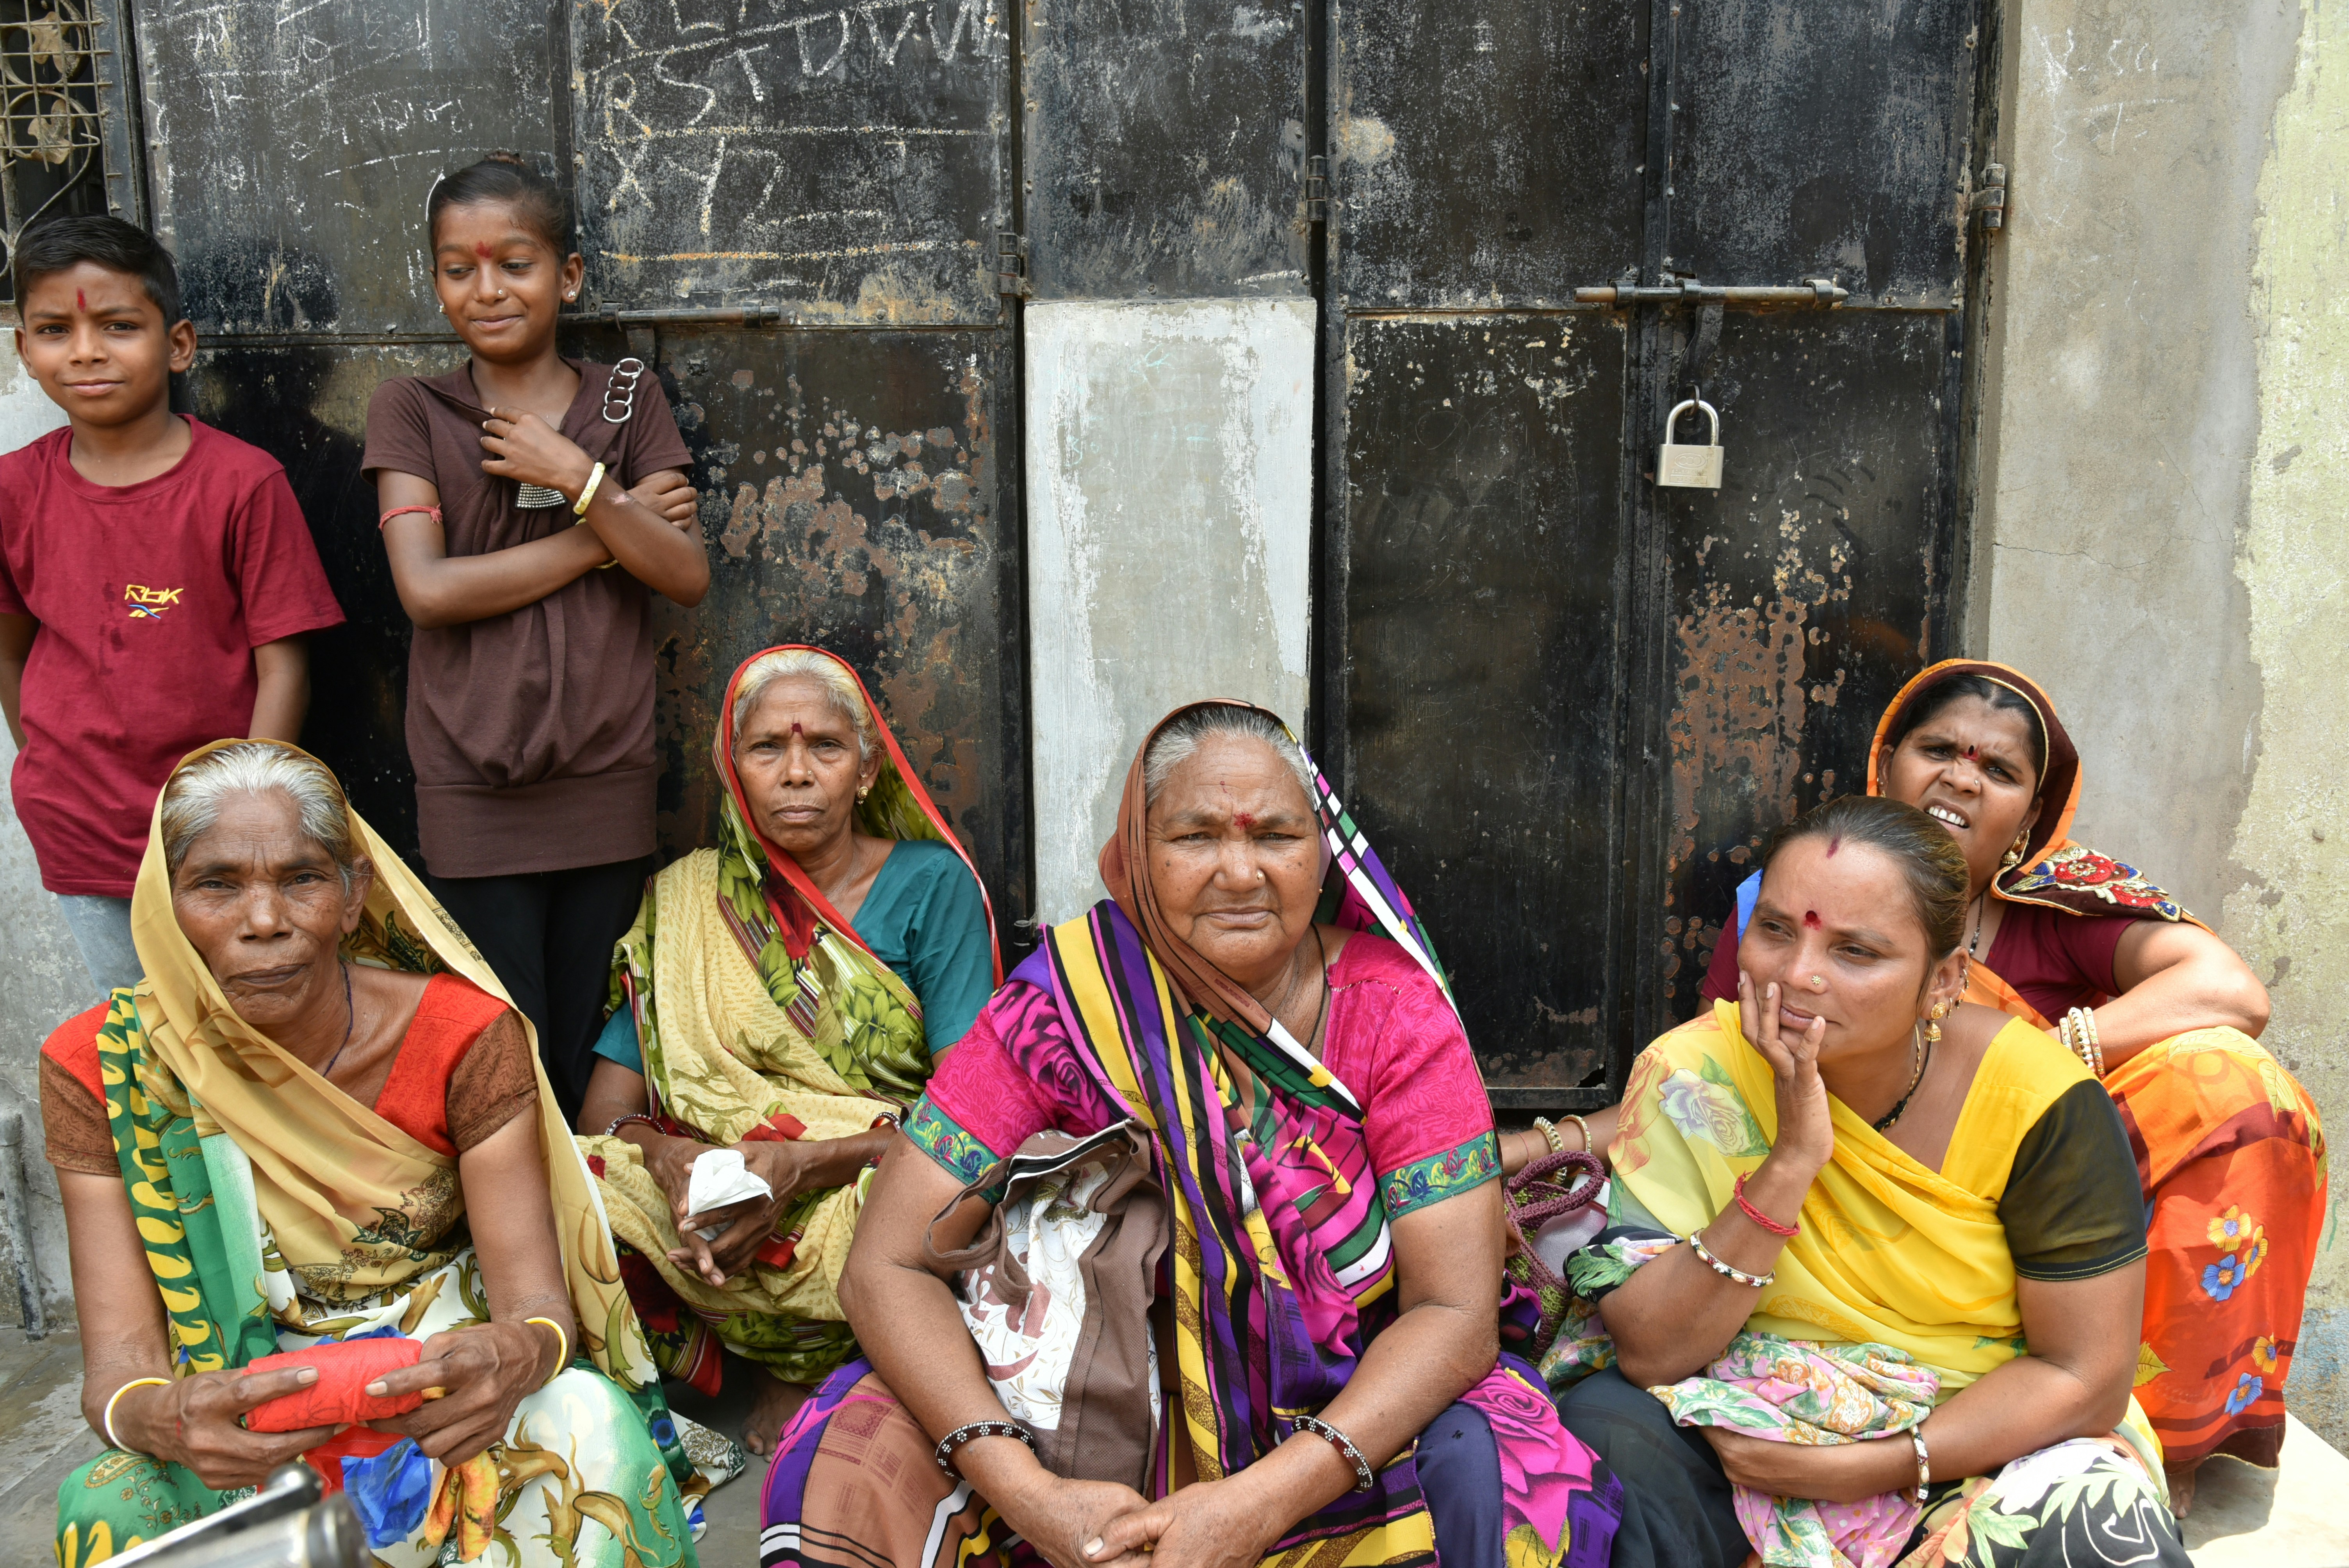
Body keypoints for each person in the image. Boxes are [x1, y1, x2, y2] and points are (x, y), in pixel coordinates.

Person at [758, 701, 1625, 1568]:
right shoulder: (1064, 1004)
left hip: (1344, 1420)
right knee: (842, 1459)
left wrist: (1257, 1503)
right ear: (1140, 853)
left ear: (1322, 852)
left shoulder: (1394, 1013)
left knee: (1505, 1483)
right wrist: (1030, 1494)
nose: (1240, 873)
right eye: (1195, 836)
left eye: (1276, 836)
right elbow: (886, 1264)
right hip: (1075, 1415)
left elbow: (1453, 1312)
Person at [38, 740, 739, 1566]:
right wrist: (158, 1417)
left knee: (592, 1428)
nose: (263, 920)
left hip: (446, 1394)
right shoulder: (102, 1067)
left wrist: (512, 1356)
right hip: (247, 1413)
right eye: (217, 885)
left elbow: (536, 1308)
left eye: (302, 878)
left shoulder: (461, 1036)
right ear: (166, 903)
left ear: (352, 895)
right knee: (109, 1501)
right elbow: (120, 1365)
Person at [1696, 661, 2324, 1509]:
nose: (1961, 778)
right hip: (1839, 1175)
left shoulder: (2054, 904)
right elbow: (1711, 1070)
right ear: (1885, 764)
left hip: (2042, 1199)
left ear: (2030, 817)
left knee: (2235, 1086)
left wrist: (2046, 1058)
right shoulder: (1795, 902)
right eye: (1938, 750)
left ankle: (2155, 1423)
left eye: (1997, 770)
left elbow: (2230, 994)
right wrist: (1557, 1139)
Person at [1565, 793, 2185, 1568]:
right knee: (1606, 1438)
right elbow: (1652, 1354)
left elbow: (2083, 1376)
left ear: (1943, 979)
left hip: (1973, 1433)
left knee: (2094, 1523)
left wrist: (1869, 1466)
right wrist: (1791, 1161)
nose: (1797, 975)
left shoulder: (2036, 1102)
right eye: (1775, 930)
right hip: (1742, 1415)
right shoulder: (1692, 1074)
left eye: (1854, 952)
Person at [576, 645, 1000, 1456]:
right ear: (733, 769)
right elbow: (606, 1114)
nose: (796, 773)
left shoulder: (930, 884)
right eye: (768, 748)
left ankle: (844, 1376)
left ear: (866, 771)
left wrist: (800, 1168)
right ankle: (739, 1382)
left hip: (865, 1171)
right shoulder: (688, 899)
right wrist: (672, 1162)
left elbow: (968, 1121)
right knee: (572, 1186)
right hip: (713, 1187)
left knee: (936, 1209)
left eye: (825, 747)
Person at [361, 153, 710, 1124]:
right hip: (471, 781)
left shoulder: (625, 399)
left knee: (590, 1048)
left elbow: (683, 574)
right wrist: (605, 528)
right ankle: (518, 1219)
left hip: (604, 775)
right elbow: (429, 591)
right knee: (499, 1049)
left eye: (514, 264)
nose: (487, 290)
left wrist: (576, 473)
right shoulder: (414, 408)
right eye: (458, 268)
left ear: (569, 276)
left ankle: (593, 1214)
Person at [0, 217, 343, 997]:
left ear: (179, 344)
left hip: (219, 839)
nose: (86, 351)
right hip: (83, 836)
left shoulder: (241, 484)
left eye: (118, 326)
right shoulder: (14, 490)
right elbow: (11, 651)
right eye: (55, 330)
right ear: (24, 350)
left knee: (245, 1028)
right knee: (140, 1035)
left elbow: (284, 669)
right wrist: (49, 767)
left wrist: (249, 818)